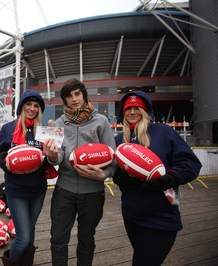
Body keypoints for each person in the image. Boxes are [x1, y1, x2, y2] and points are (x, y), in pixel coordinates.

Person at [112, 91, 202, 266]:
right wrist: (121, 178)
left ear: (145, 111)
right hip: (131, 215)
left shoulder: (164, 132)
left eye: (137, 108)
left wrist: (171, 178)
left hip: (161, 215)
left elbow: (190, 164)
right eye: (128, 109)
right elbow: (114, 172)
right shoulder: (118, 140)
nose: (132, 112)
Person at [43, 78, 116, 266]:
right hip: (64, 191)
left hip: (92, 193)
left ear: (83, 94)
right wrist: (51, 155)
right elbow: (57, 157)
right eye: (69, 96)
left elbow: (113, 158)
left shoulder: (101, 122)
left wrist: (104, 175)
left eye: (77, 94)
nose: (74, 99)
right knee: (58, 240)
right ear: (64, 100)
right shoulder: (57, 124)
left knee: (86, 239)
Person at [0, 89, 50, 266]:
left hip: (38, 190)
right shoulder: (9, 128)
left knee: (30, 235)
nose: (32, 108)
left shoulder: (43, 130)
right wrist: (5, 161)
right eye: (28, 104)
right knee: (23, 238)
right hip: (16, 190)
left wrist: (52, 153)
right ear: (21, 106)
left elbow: (50, 159)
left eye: (36, 106)